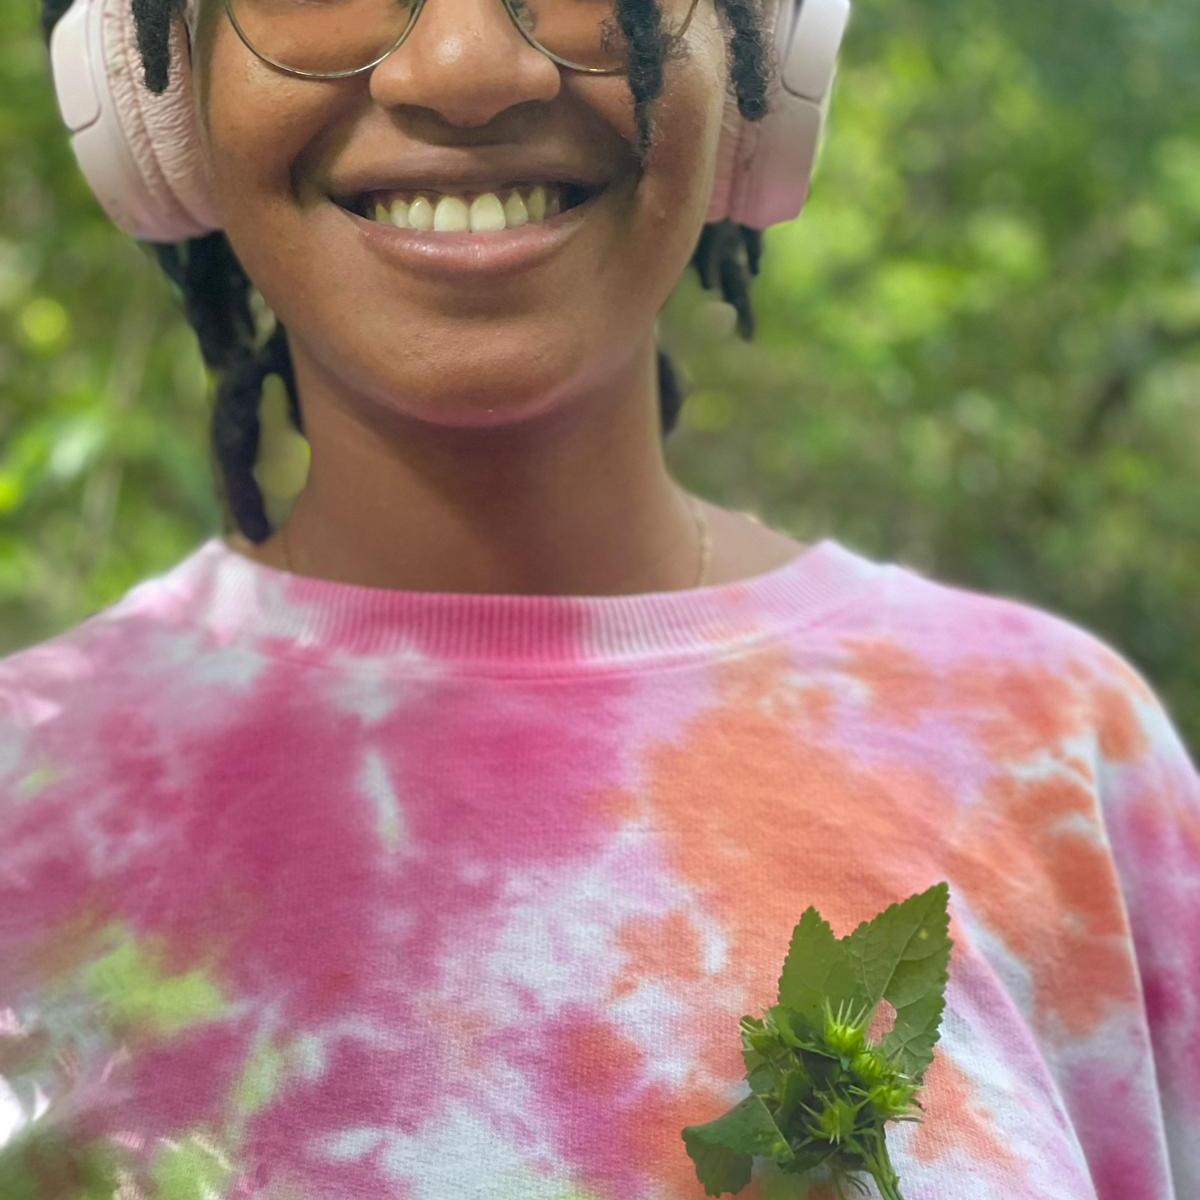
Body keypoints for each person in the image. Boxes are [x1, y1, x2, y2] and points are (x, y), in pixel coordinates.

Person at [1, 0, 1196, 1194]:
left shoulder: (1057, 756)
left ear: (760, 53)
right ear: (151, 88)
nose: (466, 68)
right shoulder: (25, 806)